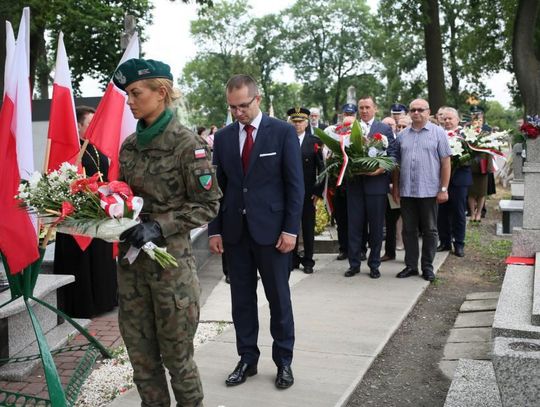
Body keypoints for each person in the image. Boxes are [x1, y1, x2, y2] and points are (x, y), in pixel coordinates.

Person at [113, 58, 221, 407]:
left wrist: (160, 225)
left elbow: (208, 204)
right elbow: (123, 198)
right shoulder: (129, 147)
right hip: (132, 270)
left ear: (161, 93)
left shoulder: (188, 145)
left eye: (135, 93)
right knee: (142, 363)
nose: (129, 100)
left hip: (170, 269)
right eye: (128, 94)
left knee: (178, 361)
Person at [208, 74, 304, 390]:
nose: (238, 113)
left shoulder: (283, 132)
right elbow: (216, 189)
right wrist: (214, 230)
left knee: (278, 299)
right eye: (232, 107)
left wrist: (291, 230)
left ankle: (284, 362)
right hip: (236, 234)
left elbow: (295, 186)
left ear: (257, 99)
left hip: (273, 234)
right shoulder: (222, 138)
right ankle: (247, 358)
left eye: (243, 106)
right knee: (242, 301)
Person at [53, 106, 118, 319]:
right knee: (81, 261)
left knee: (101, 259)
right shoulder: (71, 148)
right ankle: (82, 306)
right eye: (89, 123)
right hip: (77, 216)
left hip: (99, 212)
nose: (93, 128)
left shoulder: (97, 147)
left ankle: (105, 300)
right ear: (79, 125)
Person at [389, 98, 451, 282]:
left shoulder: (438, 133)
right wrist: (396, 187)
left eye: (420, 110)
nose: (416, 113)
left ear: (428, 112)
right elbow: (397, 165)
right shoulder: (402, 136)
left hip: (429, 191)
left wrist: (443, 188)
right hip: (407, 191)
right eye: (413, 110)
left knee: (430, 231)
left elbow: (446, 163)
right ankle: (410, 266)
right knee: (408, 231)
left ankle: (427, 267)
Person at [344, 96, 394, 279]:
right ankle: (354, 264)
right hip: (355, 185)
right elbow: (341, 153)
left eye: (367, 107)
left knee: (375, 228)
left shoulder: (384, 128)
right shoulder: (350, 128)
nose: (364, 111)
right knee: (354, 227)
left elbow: (393, 155)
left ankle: (374, 264)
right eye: (361, 108)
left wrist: (380, 169)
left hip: (376, 185)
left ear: (375, 109)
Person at [288, 106, 325, 274]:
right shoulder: (285, 139)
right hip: (288, 192)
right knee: (290, 226)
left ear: (306, 122)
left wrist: (317, 192)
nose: (297, 125)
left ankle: (308, 261)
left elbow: (322, 169)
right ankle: (292, 259)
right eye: (294, 121)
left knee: (308, 227)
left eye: (301, 121)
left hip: (308, 193)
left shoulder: (315, 141)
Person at [324, 103, 358, 261]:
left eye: (351, 114)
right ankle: (344, 248)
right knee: (341, 218)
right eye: (346, 113)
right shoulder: (333, 132)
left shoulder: (360, 132)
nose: (348, 116)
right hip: (337, 183)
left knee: (357, 218)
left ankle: (359, 249)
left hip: (354, 182)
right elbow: (326, 154)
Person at [437, 107, 472, 257]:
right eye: (445, 119)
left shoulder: (466, 136)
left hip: (459, 179)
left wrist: (461, 161)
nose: (447, 121)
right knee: (441, 212)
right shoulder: (437, 133)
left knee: (458, 212)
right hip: (439, 179)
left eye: (450, 118)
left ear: (457, 119)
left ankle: (459, 244)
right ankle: (444, 241)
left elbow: (475, 155)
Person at [381, 116, 400, 262]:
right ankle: (390, 251)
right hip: (390, 186)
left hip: (409, 186)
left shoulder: (402, 139)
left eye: (391, 124)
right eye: (386, 124)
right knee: (391, 220)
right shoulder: (380, 140)